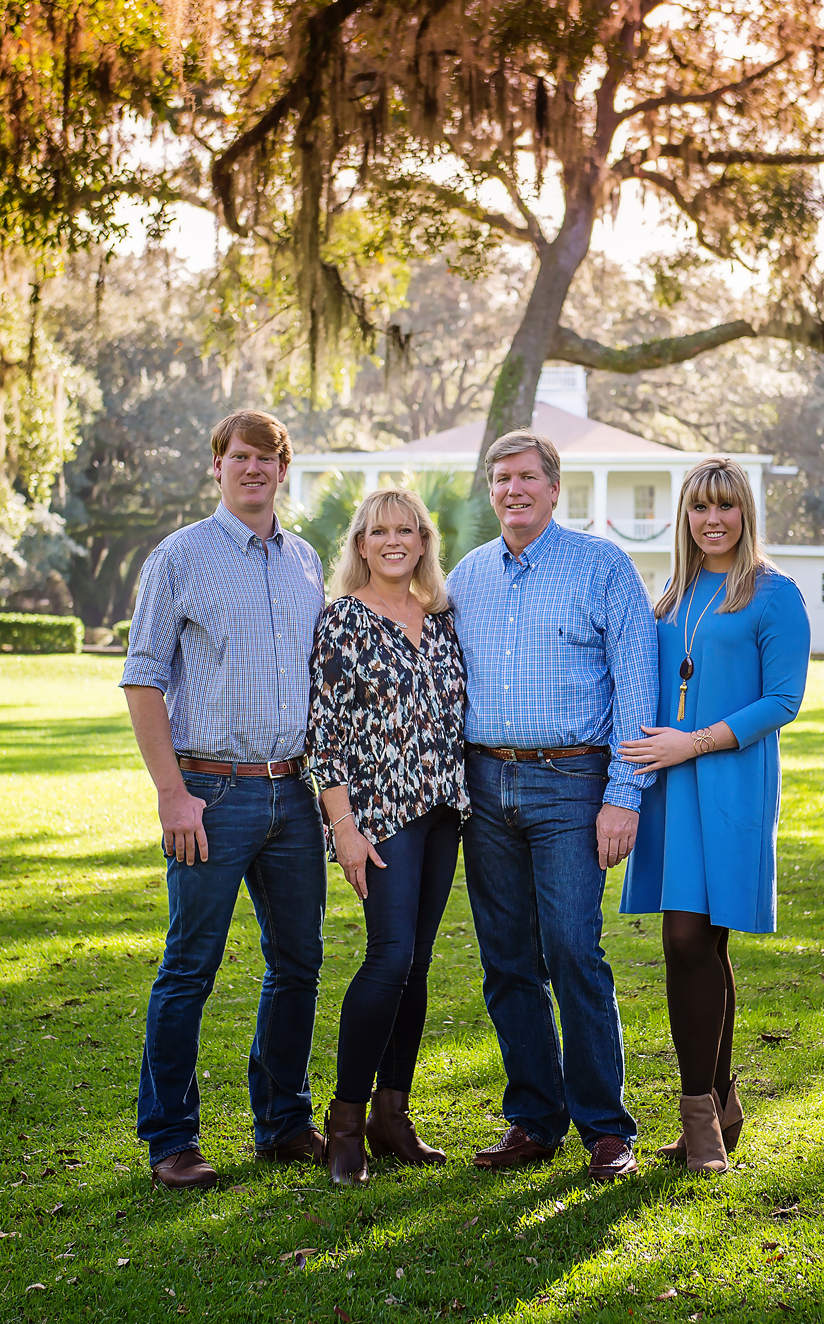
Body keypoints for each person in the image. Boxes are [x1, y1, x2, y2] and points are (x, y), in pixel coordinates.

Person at [121, 409, 329, 1190]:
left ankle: (281, 1121)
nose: (253, 470)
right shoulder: (179, 557)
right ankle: (172, 1138)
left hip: (293, 793)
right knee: (189, 968)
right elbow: (143, 679)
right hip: (209, 793)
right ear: (218, 466)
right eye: (239, 457)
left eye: (266, 459)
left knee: (298, 964)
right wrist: (172, 795)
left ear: (283, 469)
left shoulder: (306, 560)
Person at [447, 429, 659, 1182]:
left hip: (572, 783)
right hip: (484, 784)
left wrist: (623, 795)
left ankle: (606, 1127)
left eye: (527, 477)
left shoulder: (602, 566)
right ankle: (534, 1119)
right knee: (507, 960)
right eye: (501, 478)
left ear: (553, 487)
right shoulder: (467, 575)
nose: (513, 489)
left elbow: (638, 685)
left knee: (573, 947)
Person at [618, 457, 809, 1174]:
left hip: (729, 780)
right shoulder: (669, 596)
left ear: (745, 513)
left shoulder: (773, 593)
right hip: (670, 787)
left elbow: (782, 700)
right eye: (701, 507)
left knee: (690, 939)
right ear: (686, 516)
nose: (714, 520)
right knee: (699, 947)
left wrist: (693, 741)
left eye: (727, 506)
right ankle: (719, 1104)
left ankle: (699, 1119)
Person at [307, 488, 471, 1186]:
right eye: (380, 531)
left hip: (442, 812)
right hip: (379, 816)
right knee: (387, 956)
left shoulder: (440, 619)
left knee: (418, 963)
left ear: (425, 540)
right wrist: (342, 826)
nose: (395, 540)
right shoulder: (343, 620)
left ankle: (391, 1112)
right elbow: (324, 737)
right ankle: (345, 1120)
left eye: (407, 528)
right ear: (362, 544)